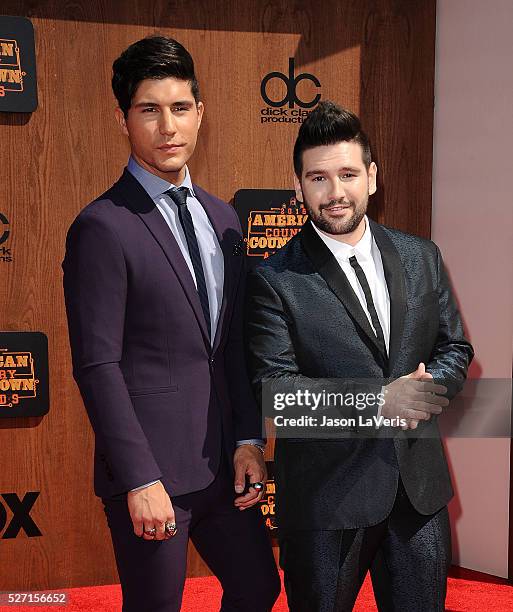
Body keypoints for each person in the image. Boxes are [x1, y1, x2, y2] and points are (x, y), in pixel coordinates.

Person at [63, 36, 280, 612]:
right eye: (149, 110)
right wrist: (139, 478)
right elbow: (96, 364)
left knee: (259, 585)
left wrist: (248, 441)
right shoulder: (102, 227)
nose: (167, 127)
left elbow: (230, 344)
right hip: (153, 472)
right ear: (122, 120)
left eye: (180, 108)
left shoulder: (223, 217)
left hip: (220, 464)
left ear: (200, 113)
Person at [246, 101, 473, 611]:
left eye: (348, 174)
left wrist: (426, 388)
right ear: (299, 185)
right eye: (318, 178)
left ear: (372, 176)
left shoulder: (421, 257)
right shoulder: (274, 280)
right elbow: (277, 394)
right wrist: (378, 402)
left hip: (418, 493)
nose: (335, 192)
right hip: (327, 499)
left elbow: (454, 348)